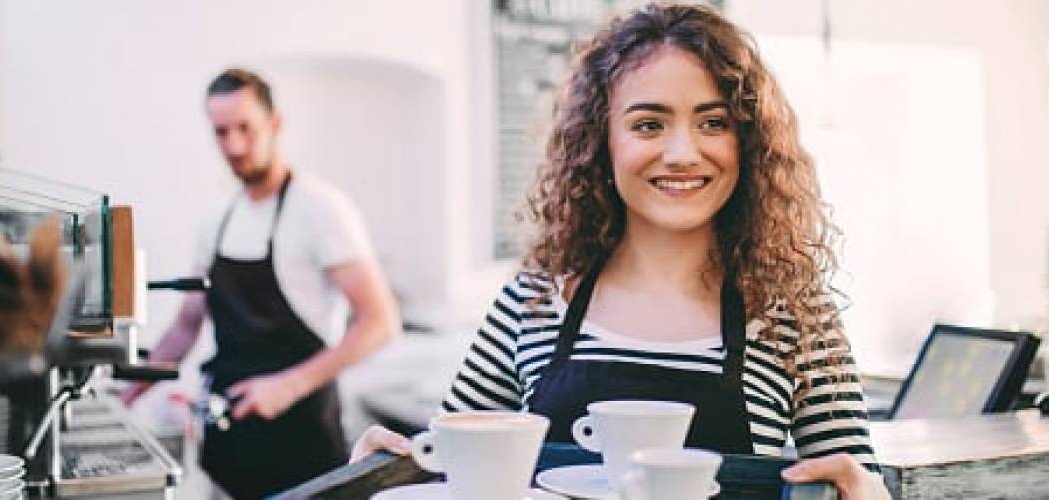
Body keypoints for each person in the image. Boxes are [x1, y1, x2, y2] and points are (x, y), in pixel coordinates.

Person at [352, 4, 888, 499]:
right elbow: (451, 467)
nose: (682, 153)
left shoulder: (794, 313)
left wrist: (865, 493)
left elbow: (854, 480)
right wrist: (385, 467)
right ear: (600, 141)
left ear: (746, 142)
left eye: (714, 122)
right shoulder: (533, 301)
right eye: (648, 124)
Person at [122, 68, 401, 499]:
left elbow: (380, 322)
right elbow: (185, 327)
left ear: (275, 125)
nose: (233, 145)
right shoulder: (216, 219)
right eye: (220, 133)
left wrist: (287, 386)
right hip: (228, 454)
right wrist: (123, 400)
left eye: (245, 129)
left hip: (302, 447)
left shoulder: (321, 210)